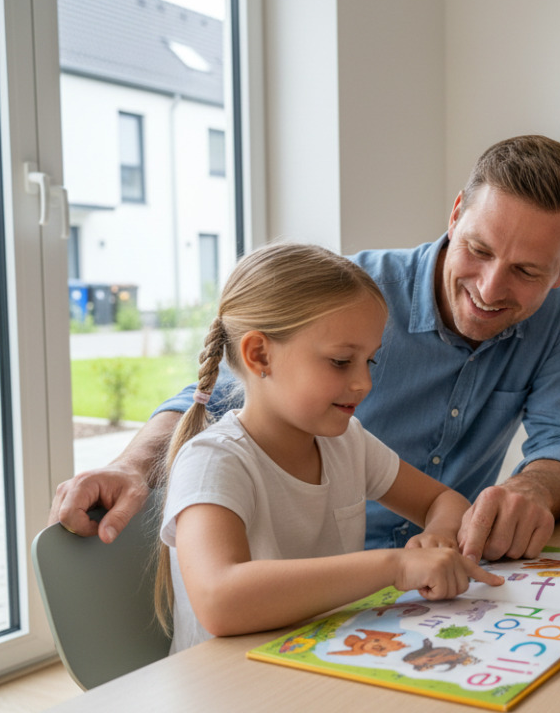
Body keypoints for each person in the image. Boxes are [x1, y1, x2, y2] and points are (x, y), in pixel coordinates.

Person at [51, 135, 560, 562]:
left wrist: (530, 489)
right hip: (318, 578)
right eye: (477, 250)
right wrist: (132, 464)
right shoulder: (355, 294)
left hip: (442, 568)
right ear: (456, 214)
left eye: (527, 271)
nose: (489, 288)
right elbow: (215, 391)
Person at [156, 243, 502, 652]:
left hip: (324, 662)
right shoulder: (214, 461)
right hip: (230, 694)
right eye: (341, 362)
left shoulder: (346, 442)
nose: (364, 384)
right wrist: (395, 565)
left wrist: (438, 536)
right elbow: (220, 601)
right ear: (259, 354)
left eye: (369, 362)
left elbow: (443, 501)